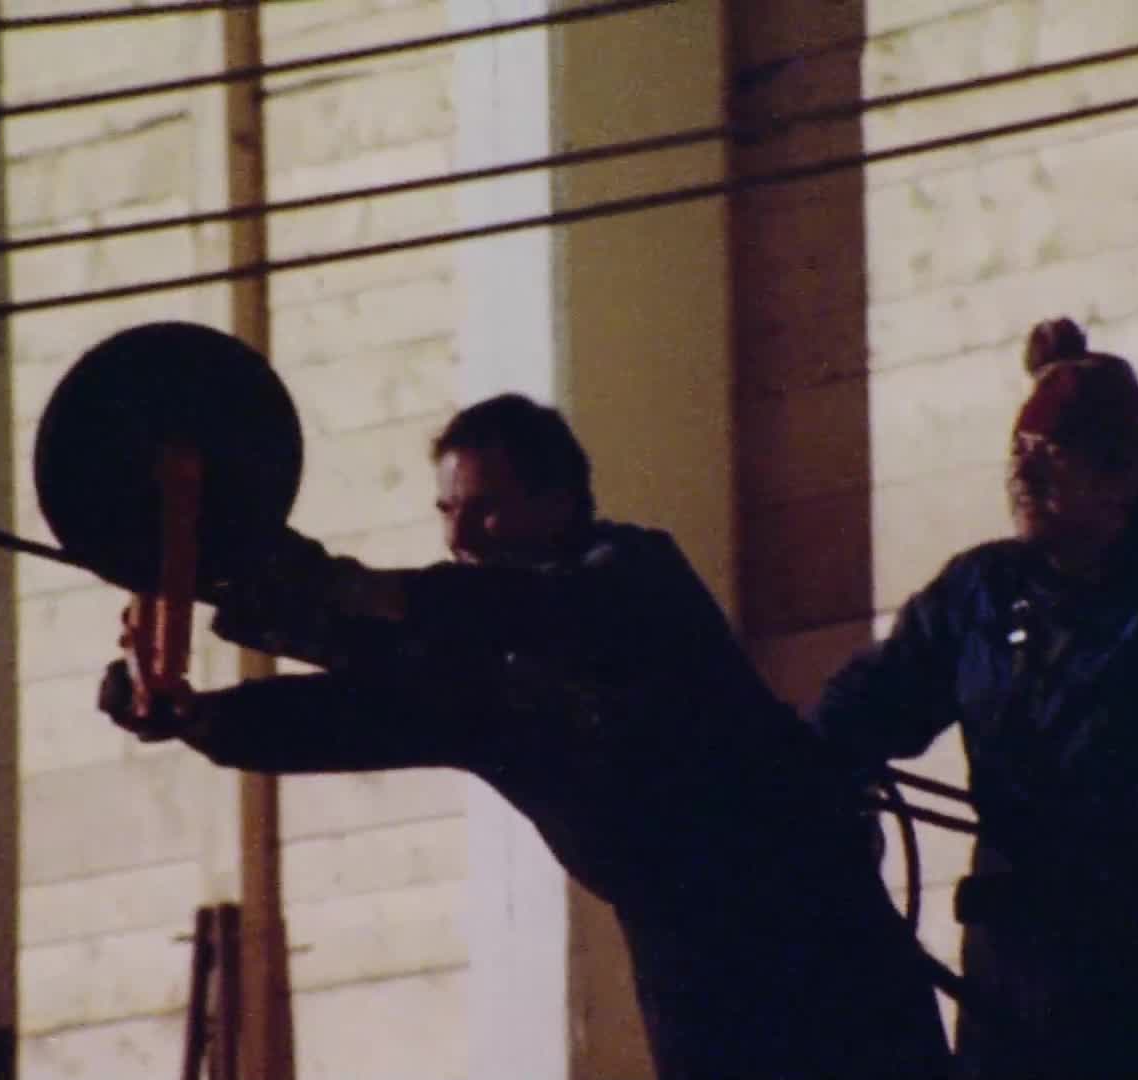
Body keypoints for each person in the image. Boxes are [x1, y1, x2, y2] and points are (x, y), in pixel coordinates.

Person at [99, 394, 952, 1079]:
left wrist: (335, 588)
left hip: (823, 941)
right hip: (689, 969)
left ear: (562, 503)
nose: (461, 538)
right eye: (447, 512)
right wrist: (200, 717)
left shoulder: (636, 578)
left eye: (488, 512)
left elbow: (517, 614)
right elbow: (360, 710)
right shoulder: (478, 673)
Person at [805, 318, 1138, 1078]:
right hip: (1008, 985)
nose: (1022, 476)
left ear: (1118, 477)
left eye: (1048, 457)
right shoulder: (978, 596)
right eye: (1016, 455)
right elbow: (861, 712)